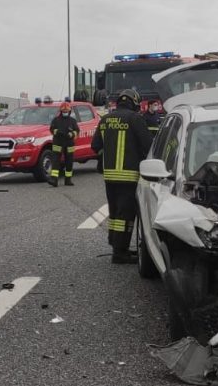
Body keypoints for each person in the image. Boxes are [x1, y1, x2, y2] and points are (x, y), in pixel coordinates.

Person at [91, 88, 153, 264]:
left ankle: (117, 247)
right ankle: (120, 253)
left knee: (115, 213)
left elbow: (95, 145)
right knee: (126, 216)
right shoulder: (135, 119)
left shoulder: (106, 119)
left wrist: (107, 154)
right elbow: (148, 145)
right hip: (129, 176)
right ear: (134, 102)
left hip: (110, 176)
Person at [48, 101, 79, 187]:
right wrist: (57, 132)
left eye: (66, 111)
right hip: (58, 143)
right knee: (55, 161)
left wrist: (71, 134)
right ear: (61, 111)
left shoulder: (72, 121)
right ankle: (54, 179)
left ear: (69, 111)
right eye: (63, 111)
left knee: (69, 162)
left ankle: (68, 180)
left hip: (69, 144)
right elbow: (51, 129)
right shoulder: (56, 120)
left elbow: (77, 131)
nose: (65, 112)